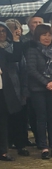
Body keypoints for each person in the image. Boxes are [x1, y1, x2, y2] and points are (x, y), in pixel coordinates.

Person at [25, 24, 52, 159]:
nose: (47, 38)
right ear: (37, 36)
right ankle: (43, 147)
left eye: (49, 35)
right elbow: (32, 70)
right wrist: (47, 83)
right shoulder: (32, 50)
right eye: (44, 35)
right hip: (38, 89)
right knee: (41, 118)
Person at [0, 22, 24, 161]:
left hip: (3, 90)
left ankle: (3, 150)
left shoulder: (2, 51)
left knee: (3, 121)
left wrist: (16, 39)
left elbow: (16, 57)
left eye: (3, 31)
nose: (1, 34)